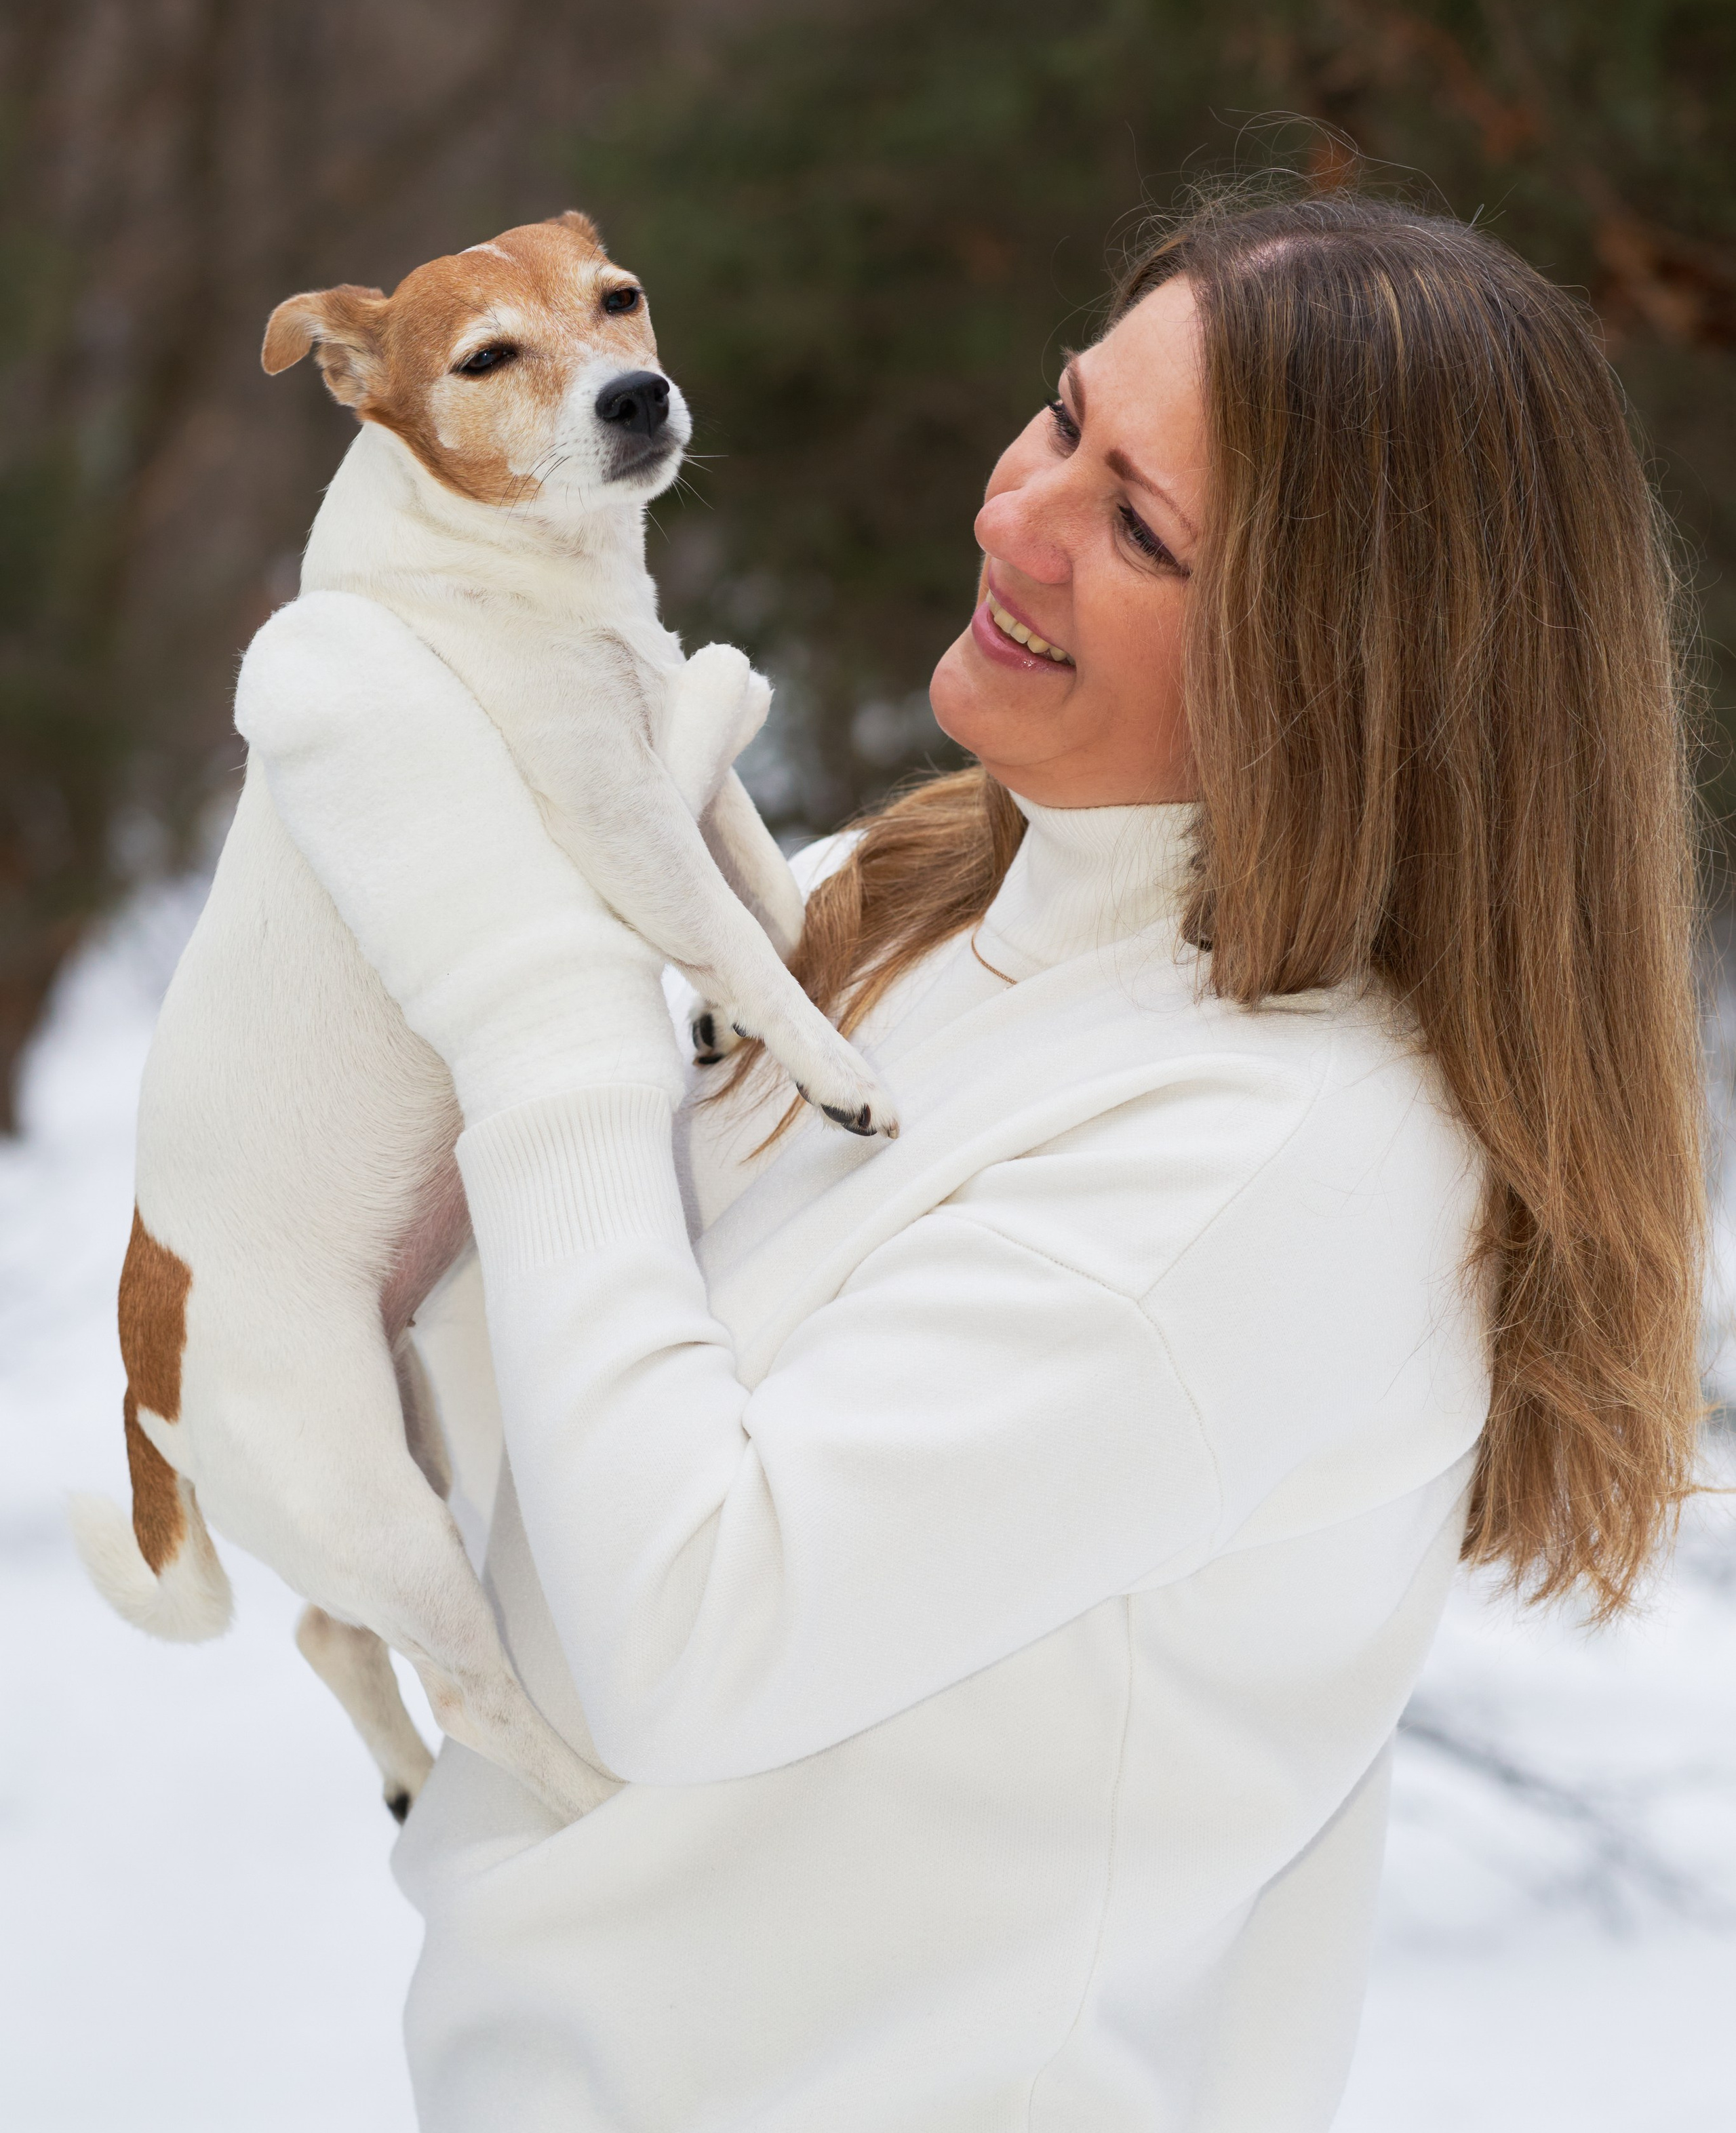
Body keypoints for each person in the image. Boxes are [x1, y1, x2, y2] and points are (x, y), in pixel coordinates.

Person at [240, 190, 1707, 2132]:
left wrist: (538, 1009)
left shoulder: (1278, 1160)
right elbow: (525, 1446)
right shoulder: (913, 899)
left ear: (1340, 670)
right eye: (1061, 418)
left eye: (1142, 528)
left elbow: (689, 1635)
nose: (1013, 518)